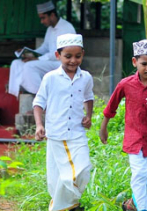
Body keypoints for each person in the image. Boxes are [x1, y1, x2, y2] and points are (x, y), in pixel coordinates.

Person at [99, 39, 147, 211]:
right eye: (144, 64)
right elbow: (111, 106)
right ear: (135, 62)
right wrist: (103, 127)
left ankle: (132, 204)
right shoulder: (126, 84)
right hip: (133, 138)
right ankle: (144, 208)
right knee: (140, 174)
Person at [33, 33, 94, 211]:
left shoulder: (86, 77)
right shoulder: (50, 78)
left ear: (83, 54)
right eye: (68, 56)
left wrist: (88, 116)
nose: (73, 61)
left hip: (77, 132)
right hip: (56, 134)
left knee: (83, 170)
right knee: (58, 177)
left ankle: (61, 206)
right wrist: (39, 125)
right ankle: (69, 206)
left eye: (78, 56)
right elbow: (38, 103)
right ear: (58, 55)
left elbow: (88, 97)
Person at [8, 0, 76, 96]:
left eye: (43, 18)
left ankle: (41, 97)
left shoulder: (66, 28)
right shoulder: (50, 29)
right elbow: (45, 47)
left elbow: (61, 54)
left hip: (62, 63)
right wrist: (28, 53)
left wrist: (38, 58)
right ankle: (20, 92)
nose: (42, 21)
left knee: (29, 66)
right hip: (50, 61)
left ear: (52, 15)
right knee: (16, 63)